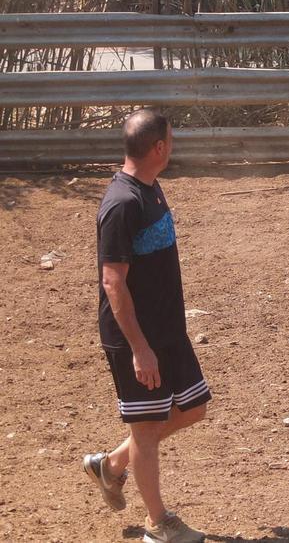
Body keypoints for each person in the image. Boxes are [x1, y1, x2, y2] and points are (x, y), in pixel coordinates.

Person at [83, 109, 210, 543]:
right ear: (159, 148)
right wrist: (139, 347)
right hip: (135, 338)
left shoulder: (150, 190)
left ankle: (113, 465)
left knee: (193, 408)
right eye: (171, 140)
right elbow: (112, 281)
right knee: (146, 430)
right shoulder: (122, 203)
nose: (172, 146)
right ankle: (159, 526)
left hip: (167, 330)